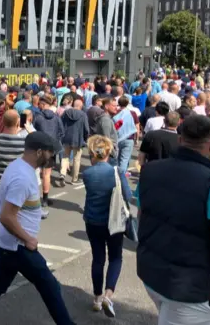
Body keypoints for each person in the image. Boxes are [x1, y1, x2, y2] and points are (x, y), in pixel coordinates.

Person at [137, 115, 210, 322]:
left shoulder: (149, 171)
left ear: (180, 140)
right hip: (189, 289)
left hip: (151, 273)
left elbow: (142, 216)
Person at [0, 132, 75, 325]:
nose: (52, 157)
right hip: (19, 247)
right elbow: (6, 216)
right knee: (51, 287)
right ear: (38, 152)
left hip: (9, 246)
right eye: (49, 153)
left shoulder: (20, 167)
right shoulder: (22, 178)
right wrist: (28, 239)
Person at [82, 135, 132, 317]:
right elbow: (127, 195)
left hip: (93, 220)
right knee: (116, 257)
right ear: (109, 152)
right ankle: (108, 295)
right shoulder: (116, 171)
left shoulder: (87, 174)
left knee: (98, 259)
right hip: (114, 221)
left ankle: (96, 297)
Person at [0, 110, 28, 280]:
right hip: (17, 194)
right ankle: (14, 269)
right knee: (19, 232)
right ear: (18, 122)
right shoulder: (23, 142)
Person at [33, 96, 64, 210]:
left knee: (36, 173)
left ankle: (34, 198)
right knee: (47, 174)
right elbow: (61, 132)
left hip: (39, 148)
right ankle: (45, 199)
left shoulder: (38, 117)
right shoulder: (56, 118)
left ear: (42, 104)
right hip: (51, 148)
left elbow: (33, 131)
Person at [60, 99, 88, 186]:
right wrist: (85, 138)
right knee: (77, 159)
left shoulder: (66, 112)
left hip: (66, 137)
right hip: (78, 138)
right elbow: (86, 128)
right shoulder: (83, 115)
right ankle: (74, 179)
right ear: (80, 106)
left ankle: (62, 174)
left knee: (65, 157)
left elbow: (60, 124)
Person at [113, 97, 139, 174]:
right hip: (129, 138)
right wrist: (136, 139)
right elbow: (137, 127)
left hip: (117, 138)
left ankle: (116, 174)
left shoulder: (115, 112)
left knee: (116, 158)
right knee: (124, 159)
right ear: (127, 103)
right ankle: (122, 176)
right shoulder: (132, 113)